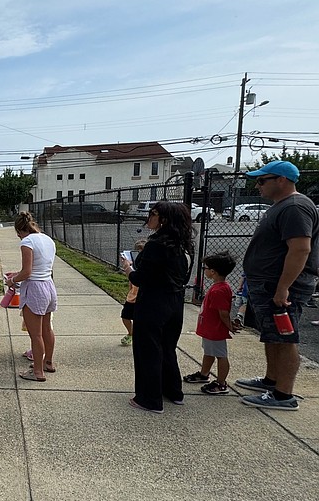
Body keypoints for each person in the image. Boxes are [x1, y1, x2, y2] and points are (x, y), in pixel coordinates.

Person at [234, 160, 319, 411]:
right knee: (272, 335)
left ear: (281, 180)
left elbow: (301, 248)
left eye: (262, 180)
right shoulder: (282, 206)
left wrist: (283, 288)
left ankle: (283, 395)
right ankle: (271, 381)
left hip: (280, 287)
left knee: (285, 338)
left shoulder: (295, 207)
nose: (258, 185)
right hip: (268, 284)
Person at [120, 201, 193, 413]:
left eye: (153, 214)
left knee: (148, 349)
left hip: (153, 302)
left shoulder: (156, 245)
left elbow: (141, 278)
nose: (149, 217)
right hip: (175, 301)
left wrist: (128, 269)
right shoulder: (186, 244)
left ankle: (149, 399)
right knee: (168, 347)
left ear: (165, 219)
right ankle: (173, 391)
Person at [7, 211, 57, 381]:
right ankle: (47, 362)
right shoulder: (47, 239)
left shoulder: (27, 242)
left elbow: (27, 272)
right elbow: (40, 267)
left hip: (34, 289)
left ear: (20, 231)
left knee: (35, 335)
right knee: (46, 329)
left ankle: (37, 372)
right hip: (48, 286)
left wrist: (12, 280)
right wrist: (19, 274)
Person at [184, 251, 239, 395]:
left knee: (221, 355)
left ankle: (221, 383)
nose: (205, 271)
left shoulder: (219, 290)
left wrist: (229, 326)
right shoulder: (218, 287)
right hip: (210, 329)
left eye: (206, 268)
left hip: (216, 331)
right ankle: (204, 374)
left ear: (213, 272)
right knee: (209, 352)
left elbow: (223, 313)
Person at [120, 239, 146, 346]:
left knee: (140, 320)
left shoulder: (146, 266)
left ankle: (139, 336)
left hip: (143, 298)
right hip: (132, 296)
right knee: (125, 316)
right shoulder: (135, 265)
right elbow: (131, 280)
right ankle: (131, 333)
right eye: (137, 252)